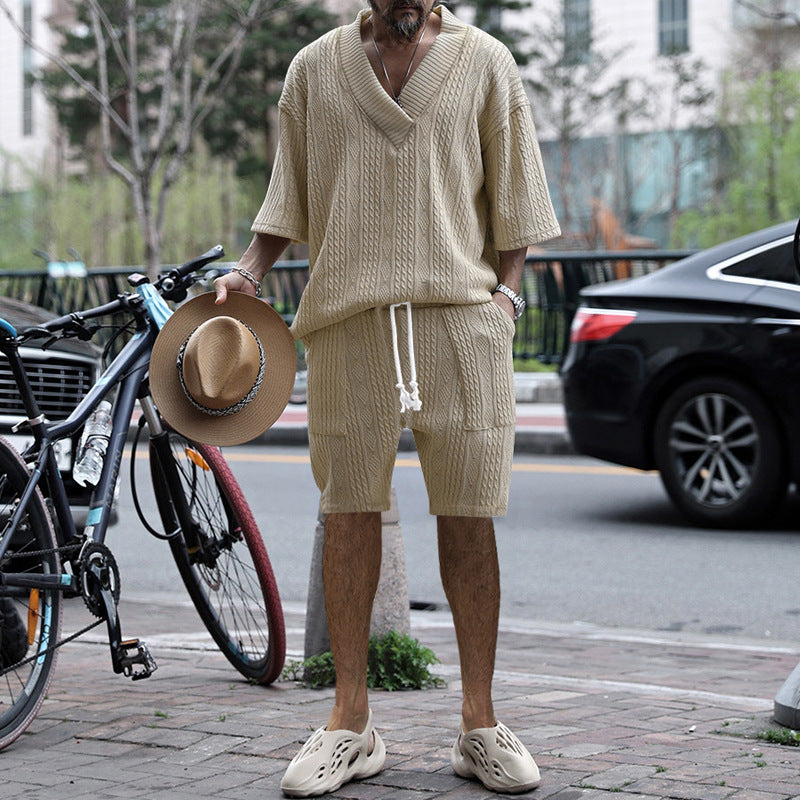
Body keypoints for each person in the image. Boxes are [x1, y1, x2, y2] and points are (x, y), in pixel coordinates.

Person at [214, 1, 560, 795]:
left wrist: (505, 302)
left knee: (469, 515)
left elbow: (519, 202)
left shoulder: (486, 62)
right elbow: (288, 198)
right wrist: (249, 271)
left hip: (461, 323)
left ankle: (479, 725)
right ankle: (350, 724)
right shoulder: (314, 69)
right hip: (347, 323)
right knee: (347, 514)